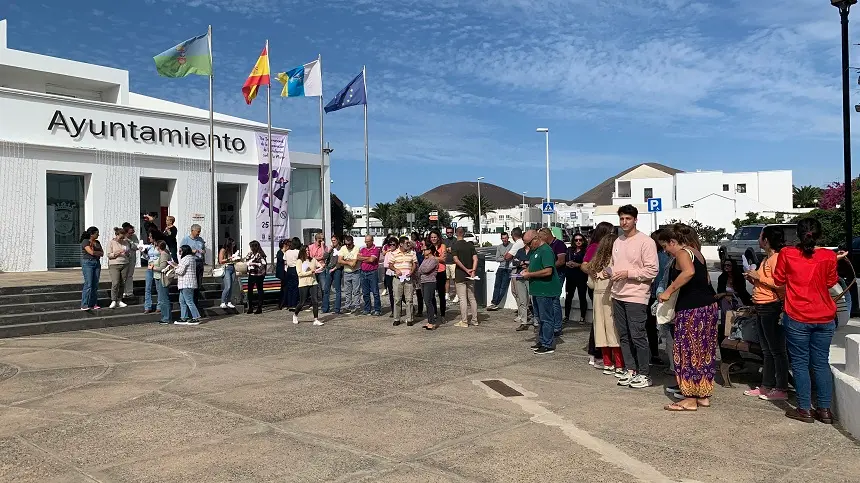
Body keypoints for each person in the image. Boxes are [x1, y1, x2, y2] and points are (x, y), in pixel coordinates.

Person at [773, 218, 839, 424]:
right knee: (820, 363)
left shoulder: (787, 253)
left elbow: (778, 279)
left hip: (798, 315)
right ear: (819, 234)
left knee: (800, 364)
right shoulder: (829, 256)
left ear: (798, 234)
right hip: (824, 315)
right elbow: (831, 282)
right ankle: (824, 409)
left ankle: (804, 409)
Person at [658, 224, 719, 410]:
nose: (666, 251)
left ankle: (690, 398)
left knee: (686, 352)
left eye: (665, 246)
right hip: (708, 307)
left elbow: (689, 272)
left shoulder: (683, 253)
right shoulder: (697, 252)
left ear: (673, 241)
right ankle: (703, 395)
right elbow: (706, 279)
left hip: (691, 309)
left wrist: (668, 291)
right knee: (704, 352)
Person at [610, 205, 658, 389]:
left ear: (635, 220)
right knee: (623, 335)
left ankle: (644, 374)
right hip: (617, 294)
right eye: (621, 219)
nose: (624, 222)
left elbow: (652, 270)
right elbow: (616, 266)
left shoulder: (646, 242)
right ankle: (630, 369)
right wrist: (607, 272)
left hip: (636, 296)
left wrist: (628, 274)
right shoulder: (618, 241)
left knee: (638, 335)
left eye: (628, 219)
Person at [744, 225, 789, 401]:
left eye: (761, 236)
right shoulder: (766, 259)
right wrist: (754, 278)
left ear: (767, 240)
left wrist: (758, 277)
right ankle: (767, 385)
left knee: (777, 350)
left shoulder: (776, 259)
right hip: (762, 305)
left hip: (772, 306)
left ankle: (781, 388)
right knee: (767, 349)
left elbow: (781, 284)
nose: (758, 239)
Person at [582, 228, 624, 376]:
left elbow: (591, 284)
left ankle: (607, 363)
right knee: (614, 330)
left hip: (597, 297)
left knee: (600, 330)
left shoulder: (596, 261)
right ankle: (619, 364)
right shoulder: (616, 260)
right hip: (612, 296)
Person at [522, 229, 562, 354]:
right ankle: (542, 340)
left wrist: (530, 274)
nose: (527, 247)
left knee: (546, 318)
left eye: (528, 243)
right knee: (539, 318)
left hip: (545, 289)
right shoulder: (536, 251)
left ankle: (547, 344)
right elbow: (534, 266)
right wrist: (526, 270)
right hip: (538, 290)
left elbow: (548, 270)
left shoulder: (546, 251)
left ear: (536, 239)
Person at [583, 222, 613, 366]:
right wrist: (596, 274)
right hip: (598, 288)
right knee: (599, 320)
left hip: (605, 287)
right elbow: (585, 265)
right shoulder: (595, 247)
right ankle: (596, 353)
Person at [539, 227, 567, 336]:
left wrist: (548, 268)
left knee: (555, 300)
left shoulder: (559, 244)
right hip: (551, 275)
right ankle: (552, 324)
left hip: (558, 274)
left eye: (541, 237)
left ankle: (557, 327)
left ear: (546, 235)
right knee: (550, 300)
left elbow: (561, 261)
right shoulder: (546, 246)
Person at [451, 226, 478, 327]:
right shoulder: (470, 245)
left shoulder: (455, 246)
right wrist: (473, 270)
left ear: (456, 233)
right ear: (464, 233)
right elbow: (476, 259)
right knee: (472, 298)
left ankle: (464, 321)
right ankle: (475, 320)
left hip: (460, 274)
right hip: (471, 275)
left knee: (463, 299)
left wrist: (465, 269)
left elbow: (456, 260)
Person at [390, 236, 419, 326]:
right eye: (407, 243)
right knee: (397, 299)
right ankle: (397, 318)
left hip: (408, 278)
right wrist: (396, 270)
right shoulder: (394, 253)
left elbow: (415, 264)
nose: (408, 244)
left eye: (409, 243)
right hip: (398, 279)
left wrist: (412, 271)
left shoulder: (412, 253)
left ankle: (409, 319)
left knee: (409, 299)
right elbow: (390, 265)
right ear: (401, 244)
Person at [716, 260, 752, 332]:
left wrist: (726, 294)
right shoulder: (722, 277)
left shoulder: (739, 277)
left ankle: (734, 328)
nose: (726, 267)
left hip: (739, 297)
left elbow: (741, 291)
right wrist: (725, 295)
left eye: (728, 265)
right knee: (725, 306)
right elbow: (720, 292)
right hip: (725, 298)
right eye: (725, 265)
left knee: (734, 308)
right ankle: (726, 329)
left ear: (733, 266)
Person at [294, 245, 324, 326]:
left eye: (308, 251)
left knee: (315, 301)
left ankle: (316, 319)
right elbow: (299, 273)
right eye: (306, 251)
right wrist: (310, 272)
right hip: (303, 283)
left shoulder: (313, 260)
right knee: (302, 302)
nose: (307, 252)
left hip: (313, 282)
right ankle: (295, 314)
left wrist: (320, 268)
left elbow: (319, 265)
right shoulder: (299, 261)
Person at [509, 228, 532, 331]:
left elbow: (533, 262)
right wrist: (524, 262)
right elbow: (515, 262)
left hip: (530, 277)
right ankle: (523, 321)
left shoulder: (534, 251)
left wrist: (524, 262)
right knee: (522, 300)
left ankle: (536, 321)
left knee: (532, 300)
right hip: (519, 276)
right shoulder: (520, 251)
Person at [173, 244, 202, 325]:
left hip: (186, 283)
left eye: (180, 251)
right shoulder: (192, 258)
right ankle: (184, 317)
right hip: (187, 283)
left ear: (184, 251)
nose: (179, 252)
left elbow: (181, 271)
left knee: (189, 301)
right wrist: (177, 265)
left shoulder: (186, 259)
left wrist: (175, 267)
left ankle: (196, 317)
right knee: (182, 301)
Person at [564, 233, 589, 324]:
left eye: (580, 240)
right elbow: (564, 260)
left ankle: (583, 317)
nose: (578, 242)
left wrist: (578, 265)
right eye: (576, 240)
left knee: (582, 296)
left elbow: (587, 263)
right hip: (570, 275)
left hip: (581, 276)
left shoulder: (586, 251)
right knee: (568, 297)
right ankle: (566, 316)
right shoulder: (570, 250)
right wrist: (567, 263)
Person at [180, 224, 206, 303]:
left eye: (199, 232)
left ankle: (196, 301)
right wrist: (192, 251)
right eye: (198, 232)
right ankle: (191, 301)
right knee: (192, 283)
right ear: (192, 231)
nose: (199, 233)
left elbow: (204, 249)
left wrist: (203, 251)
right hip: (191, 262)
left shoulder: (200, 239)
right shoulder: (186, 240)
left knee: (199, 282)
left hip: (199, 262)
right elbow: (181, 251)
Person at [487, 232, 513, 311]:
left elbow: (511, 257)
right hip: (501, 267)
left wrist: (504, 257)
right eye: (503, 238)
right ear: (501, 239)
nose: (504, 240)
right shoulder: (499, 247)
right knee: (497, 285)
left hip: (508, 268)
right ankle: (494, 302)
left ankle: (496, 303)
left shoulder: (512, 246)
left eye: (506, 238)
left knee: (503, 287)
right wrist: (505, 257)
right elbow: (497, 259)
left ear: (508, 238)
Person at [107, 227, 131, 309]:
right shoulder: (111, 243)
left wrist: (127, 253)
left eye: (123, 237)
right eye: (120, 237)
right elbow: (109, 255)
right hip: (114, 264)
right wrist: (117, 253)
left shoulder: (126, 242)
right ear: (116, 235)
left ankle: (120, 300)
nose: (122, 239)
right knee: (115, 282)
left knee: (122, 282)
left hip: (125, 263)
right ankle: (113, 300)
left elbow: (129, 254)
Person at [80, 226, 103, 310]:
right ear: (92, 234)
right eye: (97, 233)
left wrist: (96, 253)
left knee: (95, 284)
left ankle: (93, 303)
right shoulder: (85, 241)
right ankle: (84, 304)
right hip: (88, 263)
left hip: (96, 263)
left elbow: (102, 253)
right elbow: (91, 252)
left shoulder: (97, 242)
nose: (98, 235)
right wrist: (97, 253)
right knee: (88, 284)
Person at [358, 235, 382, 316]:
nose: (367, 243)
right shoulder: (363, 249)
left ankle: (377, 309)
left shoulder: (376, 249)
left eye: (368, 241)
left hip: (372, 272)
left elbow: (372, 260)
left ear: (372, 241)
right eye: (366, 241)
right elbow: (358, 257)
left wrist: (363, 258)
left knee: (375, 292)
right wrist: (367, 258)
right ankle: (367, 308)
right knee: (365, 292)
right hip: (363, 272)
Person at [338, 235, 362, 314]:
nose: (347, 246)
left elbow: (354, 263)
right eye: (346, 244)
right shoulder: (343, 248)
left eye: (349, 244)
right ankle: (347, 306)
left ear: (352, 242)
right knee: (347, 291)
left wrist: (345, 260)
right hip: (346, 272)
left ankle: (357, 306)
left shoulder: (357, 248)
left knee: (356, 290)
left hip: (355, 272)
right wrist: (348, 261)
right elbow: (339, 260)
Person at [418, 244, 440, 330]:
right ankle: (429, 320)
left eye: (425, 249)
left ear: (430, 250)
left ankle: (432, 322)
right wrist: (422, 270)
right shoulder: (425, 259)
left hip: (430, 282)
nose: (423, 251)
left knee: (428, 301)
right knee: (426, 301)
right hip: (423, 281)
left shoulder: (434, 259)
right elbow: (420, 269)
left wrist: (422, 270)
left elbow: (426, 269)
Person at [244, 240, 268, 314]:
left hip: (259, 274)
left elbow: (263, 264)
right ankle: (250, 307)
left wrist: (256, 264)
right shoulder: (250, 254)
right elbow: (246, 261)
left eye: (252, 246)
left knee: (260, 290)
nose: (251, 248)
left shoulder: (260, 254)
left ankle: (259, 307)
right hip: (251, 274)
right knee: (250, 290)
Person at [152, 241, 173, 324]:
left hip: (163, 278)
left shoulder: (164, 254)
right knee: (163, 298)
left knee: (164, 298)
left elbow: (162, 268)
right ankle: (165, 317)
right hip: (160, 278)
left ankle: (166, 318)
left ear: (158, 247)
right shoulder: (164, 253)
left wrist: (153, 268)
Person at [429, 230, 448, 319]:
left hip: (441, 271)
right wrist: (438, 258)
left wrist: (432, 257)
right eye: (432, 237)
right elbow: (426, 257)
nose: (433, 239)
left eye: (435, 237)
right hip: (431, 272)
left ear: (438, 238)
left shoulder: (443, 246)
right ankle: (435, 312)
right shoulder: (429, 247)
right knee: (432, 294)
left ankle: (443, 314)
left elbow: (443, 259)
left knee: (441, 294)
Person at [321, 235, 342, 314]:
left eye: (334, 240)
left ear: (337, 240)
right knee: (326, 289)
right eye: (332, 240)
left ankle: (337, 309)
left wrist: (335, 268)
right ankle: (325, 308)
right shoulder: (331, 249)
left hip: (337, 269)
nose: (333, 242)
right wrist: (328, 250)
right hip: (329, 268)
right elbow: (324, 257)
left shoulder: (341, 249)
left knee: (337, 289)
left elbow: (340, 261)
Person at [142, 231, 161, 314]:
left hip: (157, 268)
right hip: (150, 267)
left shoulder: (161, 246)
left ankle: (159, 305)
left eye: (150, 236)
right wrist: (142, 252)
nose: (149, 238)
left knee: (158, 288)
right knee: (148, 287)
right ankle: (147, 306)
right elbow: (147, 257)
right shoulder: (149, 247)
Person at [218, 238, 239, 309]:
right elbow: (220, 261)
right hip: (226, 268)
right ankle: (223, 302)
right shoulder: (223, 250)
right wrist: (228, 259)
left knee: (232, 286)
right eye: (233, 243)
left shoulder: (231, 250)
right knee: (228, 286)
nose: (234, 245)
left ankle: (229, 301)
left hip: (232, 267)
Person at [382, 237, 398, 316]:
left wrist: (392, 266)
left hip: (396, 275)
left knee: (399, 293)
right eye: (390, 244)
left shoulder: (398, 253)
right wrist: (393, 266)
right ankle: (393, 310)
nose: (391, 246)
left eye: (393, 244)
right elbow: (385, 264)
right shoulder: (388, 253)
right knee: (391, 293)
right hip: (389, 275)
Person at [122, 223, 139, 297]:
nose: (131, 234)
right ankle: (122, 292)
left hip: (132, 258)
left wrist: (130, 242)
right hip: (123, 258)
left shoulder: (134, 237)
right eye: (130, 233)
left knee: (129, 275)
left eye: (132, 232)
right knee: (123, 275)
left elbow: (137, 246)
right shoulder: (121, 237)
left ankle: (129, 291)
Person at [283, 238, 301, 309]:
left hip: (289, 269)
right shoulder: (298, 252)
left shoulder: (287, 252)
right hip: (295, 269)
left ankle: (289, 304)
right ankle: (294, 304)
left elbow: (285, 261)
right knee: (295, 287)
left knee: (290, 287)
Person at [444, 226, 458, 303]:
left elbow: (456, 250)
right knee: (446, 279)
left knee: (455, 280)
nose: (449, 234)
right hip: (446, 263)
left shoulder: (455, 240)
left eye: (451, 232)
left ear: (453, 232)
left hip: (453, 263)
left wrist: (450, 250)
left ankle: (457, 295)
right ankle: (447, 294)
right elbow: (443, 251)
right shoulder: (444, 241)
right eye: (448, 232)